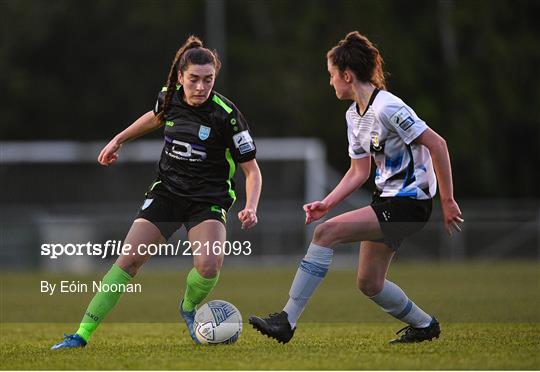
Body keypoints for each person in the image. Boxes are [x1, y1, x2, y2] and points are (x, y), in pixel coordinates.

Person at [248, 31, 463, 344]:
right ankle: (425, 325)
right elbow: (358, 171)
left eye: (332, 75)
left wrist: (448, 200)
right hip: (387, 202)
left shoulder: (388, 107)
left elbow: (437, 145)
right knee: (369, 283)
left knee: (325, 233)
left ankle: (287, 320)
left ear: (347, 75)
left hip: (409, 204)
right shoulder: (354, 116)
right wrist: (327, 203)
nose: (331, 82)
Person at [52, 35, 262, 349]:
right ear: (181, 77)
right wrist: (118, 139)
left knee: (208, 267)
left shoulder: (227, 117)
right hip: (167, 192)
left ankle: (188, 308)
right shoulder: (170, 97)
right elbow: (156, 116)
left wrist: (252, 206)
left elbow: (252, 170)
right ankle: (80, 335)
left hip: (208, 199)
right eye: (194, 79)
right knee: (129, 260)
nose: (201, 87)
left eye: (208, 80)